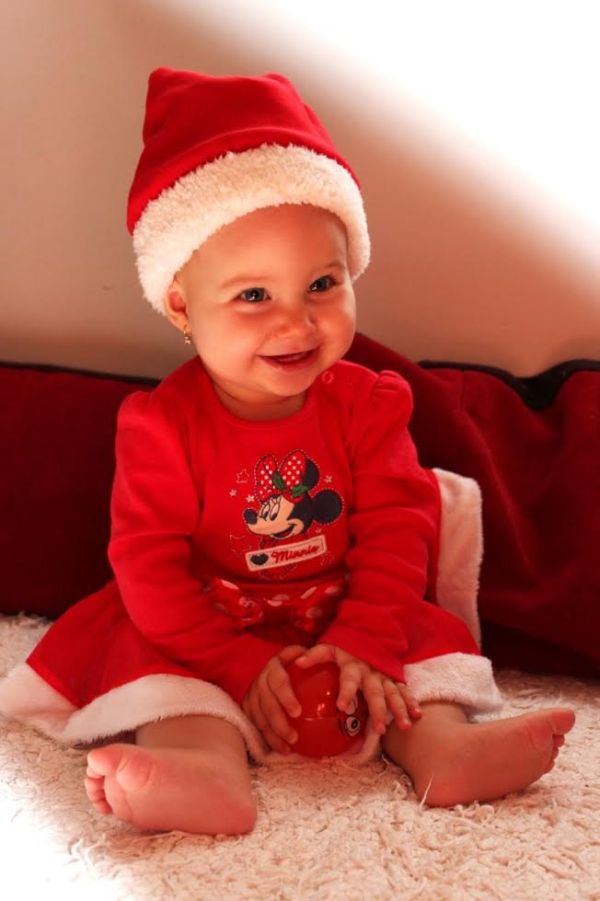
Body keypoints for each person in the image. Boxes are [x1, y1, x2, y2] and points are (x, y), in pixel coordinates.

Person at [0, 68, 574, 835]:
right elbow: (148, 566)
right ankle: (201, 768)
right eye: (253, 295)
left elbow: (399, 528)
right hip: (210, 618)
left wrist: (364, 639)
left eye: (322, 284)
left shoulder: (368, 403)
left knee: (419, 653)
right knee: (156, 662)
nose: (296, 323)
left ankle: (443, 750)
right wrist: (235, 663)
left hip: (346, 600)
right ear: (181, 305)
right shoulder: (162, 425)